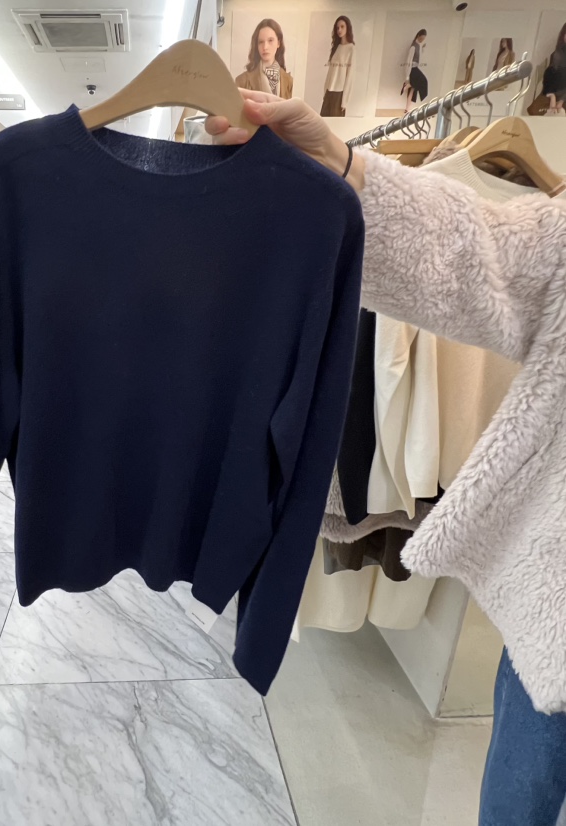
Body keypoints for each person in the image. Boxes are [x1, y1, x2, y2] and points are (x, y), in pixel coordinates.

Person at [205, 91, 566, 826]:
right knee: (520, 797)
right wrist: (343, 169)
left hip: (432, 479)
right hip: (556, 619)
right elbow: (474, 256)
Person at [235, 19, 293, 100]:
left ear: (278, 43)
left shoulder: (288, 80)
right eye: (261, 42)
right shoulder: (242, 81)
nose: (265, 47)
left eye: (270, 40)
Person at [321, 16, 354, 118]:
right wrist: (325, 90)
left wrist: (344, 101)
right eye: (337, 27)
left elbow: (349, 76)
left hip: (339, 94)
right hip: (329, 91)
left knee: (334, 123)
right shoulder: (336, 47)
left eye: (342, 27)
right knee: (323, 122)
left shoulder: (351, 49)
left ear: (347, 28)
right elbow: (331, 71)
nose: (339, 30)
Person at [543, 23, 566, 114]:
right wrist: (552, 96)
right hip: (554, 92)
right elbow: (549, 75)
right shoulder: (557, 54)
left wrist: (561, 100)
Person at [403, 29, 428, 111]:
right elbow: (408, 61)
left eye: (423, 39)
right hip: (412, 69)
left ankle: (407, 109)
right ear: (418, 36)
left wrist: (423, 48)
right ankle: (409, 84)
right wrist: (407, 76)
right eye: (421, 38)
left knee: (412, 90)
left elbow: (419, 57)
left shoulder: (418, 45)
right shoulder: (413, 46)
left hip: (415, 68)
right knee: (424, 81)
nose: (422, 40)